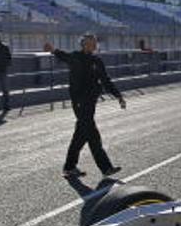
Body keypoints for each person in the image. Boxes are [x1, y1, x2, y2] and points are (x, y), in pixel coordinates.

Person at [44, 35, 126, 178]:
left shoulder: (97, 61)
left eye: (95, 43)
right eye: (90, 43)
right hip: (80, 102)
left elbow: (106, 81)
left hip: (91, 102)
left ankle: (69, 167)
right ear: (83, 44)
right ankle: (106, 168)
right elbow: (63, 56)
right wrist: (53, 50)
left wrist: (118, 96)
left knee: (80, 135)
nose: (94, 45)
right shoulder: (76, 57)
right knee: (93, 135)